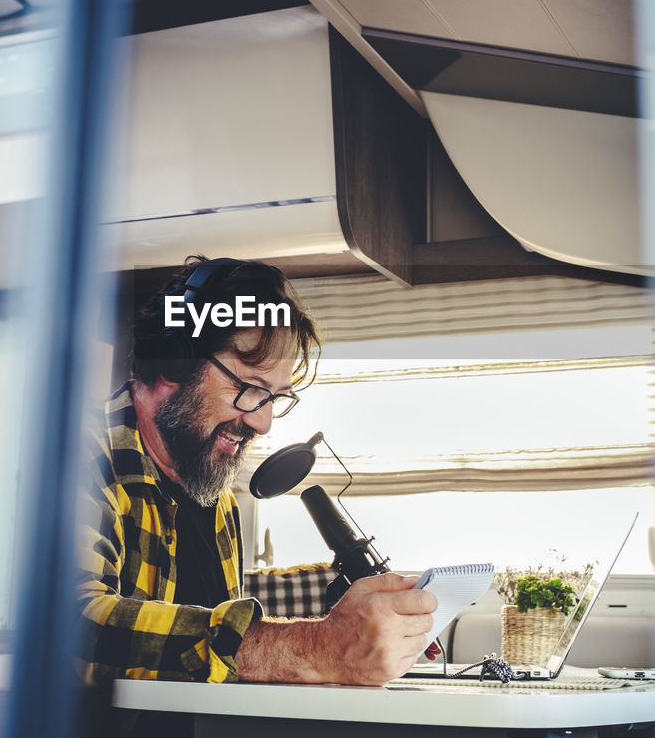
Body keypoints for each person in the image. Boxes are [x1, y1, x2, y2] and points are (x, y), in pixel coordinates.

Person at [76, 256, 436, 699]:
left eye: (275, 398)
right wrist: (313, 649)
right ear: (173, 362)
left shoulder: (215, 491)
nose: (263, 423)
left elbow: (219, 669)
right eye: (249, 389)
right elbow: (74, 625)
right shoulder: (76, 459)